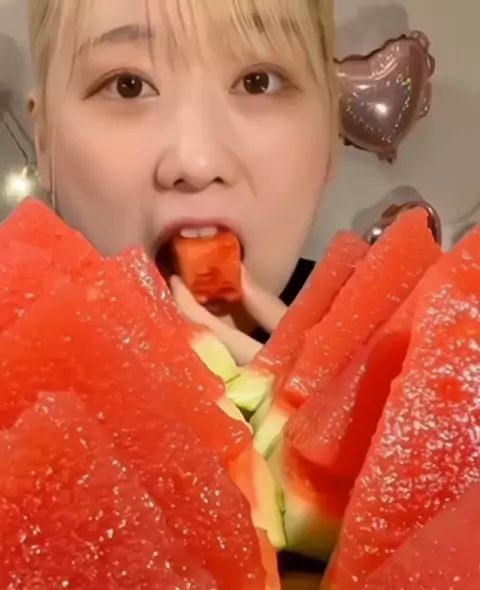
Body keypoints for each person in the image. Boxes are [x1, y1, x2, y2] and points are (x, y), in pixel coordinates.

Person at [28, 0, 338, 364]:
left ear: (332, 132)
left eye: (258, 83)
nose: (197, 163)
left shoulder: (389, 358)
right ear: (44, 140)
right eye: (128, 86)